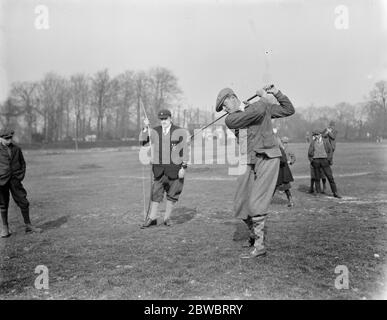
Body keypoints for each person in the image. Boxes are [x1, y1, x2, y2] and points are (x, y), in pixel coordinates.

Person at [216, 84, 295, 258]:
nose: (224, 108)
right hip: (249, 160)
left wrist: (277, 93)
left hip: (268, 156)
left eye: (224, 104)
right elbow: (256, 113)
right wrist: (264, 98)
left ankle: (259, 246)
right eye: (222, 107)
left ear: (232, 98)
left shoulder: (258, 107)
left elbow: (288, 109)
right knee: (241, 204)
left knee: (256, 202)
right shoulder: (231, 119)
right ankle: (255, 233)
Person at [140, 109, 189, 228]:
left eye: (165, 119)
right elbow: (143, 142)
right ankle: (152, 218)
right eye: (161, 119)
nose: (163, 121)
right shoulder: (155, 131)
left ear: (170, 118)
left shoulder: (179, 131)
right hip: (158, 170)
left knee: (173, 195)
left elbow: (185, 151)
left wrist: (183, 167)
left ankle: (167, 218)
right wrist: (146, 128)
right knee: (156, 194)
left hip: (175, 169)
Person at [0, 129, 42, 238]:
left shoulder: (16, 149)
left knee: (23, 201)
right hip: (2, 181)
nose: (9, 140)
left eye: (10, 138)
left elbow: (23, 163)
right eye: (6, 138)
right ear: (0, 138)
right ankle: (5, 228)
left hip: (15, 180)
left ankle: (28, 225)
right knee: (3, 203)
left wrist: (21, 175)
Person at [308, 130, 341, 198]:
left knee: (330, 177)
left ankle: (335, 192)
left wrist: (329, 159)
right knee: (317, 178)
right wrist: (312, 161)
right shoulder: (313, 142)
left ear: (320, 134)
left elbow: (330, 151)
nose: (315, 136)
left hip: (325, 161)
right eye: (314, 135)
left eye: (316, 135)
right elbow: (309, 153)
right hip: (316, 161)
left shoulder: (325, 141)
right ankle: (318, 192)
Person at [274, 136, 295, 207]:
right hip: (281, 171)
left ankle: (291, 201)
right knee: (282, 187)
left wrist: (276, 160)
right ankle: (291, 201)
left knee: (276, 186)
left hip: (282, 171)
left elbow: (283, 160)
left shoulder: (280, 149)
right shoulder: (278, 149)